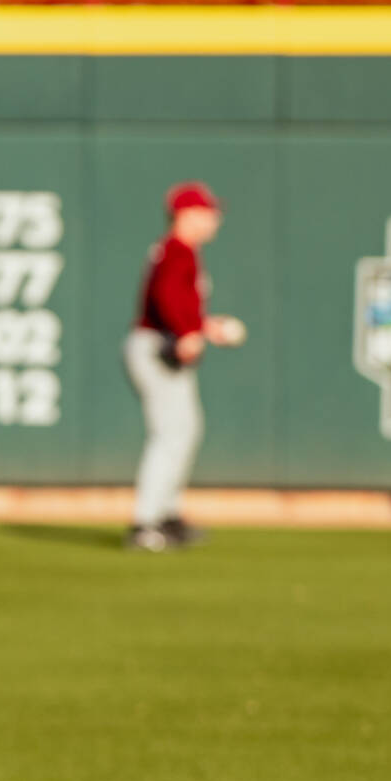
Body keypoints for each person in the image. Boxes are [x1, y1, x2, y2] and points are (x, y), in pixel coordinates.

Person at [125, 181, 244, 552]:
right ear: (186, 215)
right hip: (157, 346)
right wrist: (188, 332)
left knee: (184, 429)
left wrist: (205, 327)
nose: (214, 219)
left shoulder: (180, 251)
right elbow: (165, 297)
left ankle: (167, 515)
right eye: (208, 211)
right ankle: (145, 523)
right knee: (170, 433)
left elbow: (177, 300)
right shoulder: (178, 250)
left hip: (163, 344)